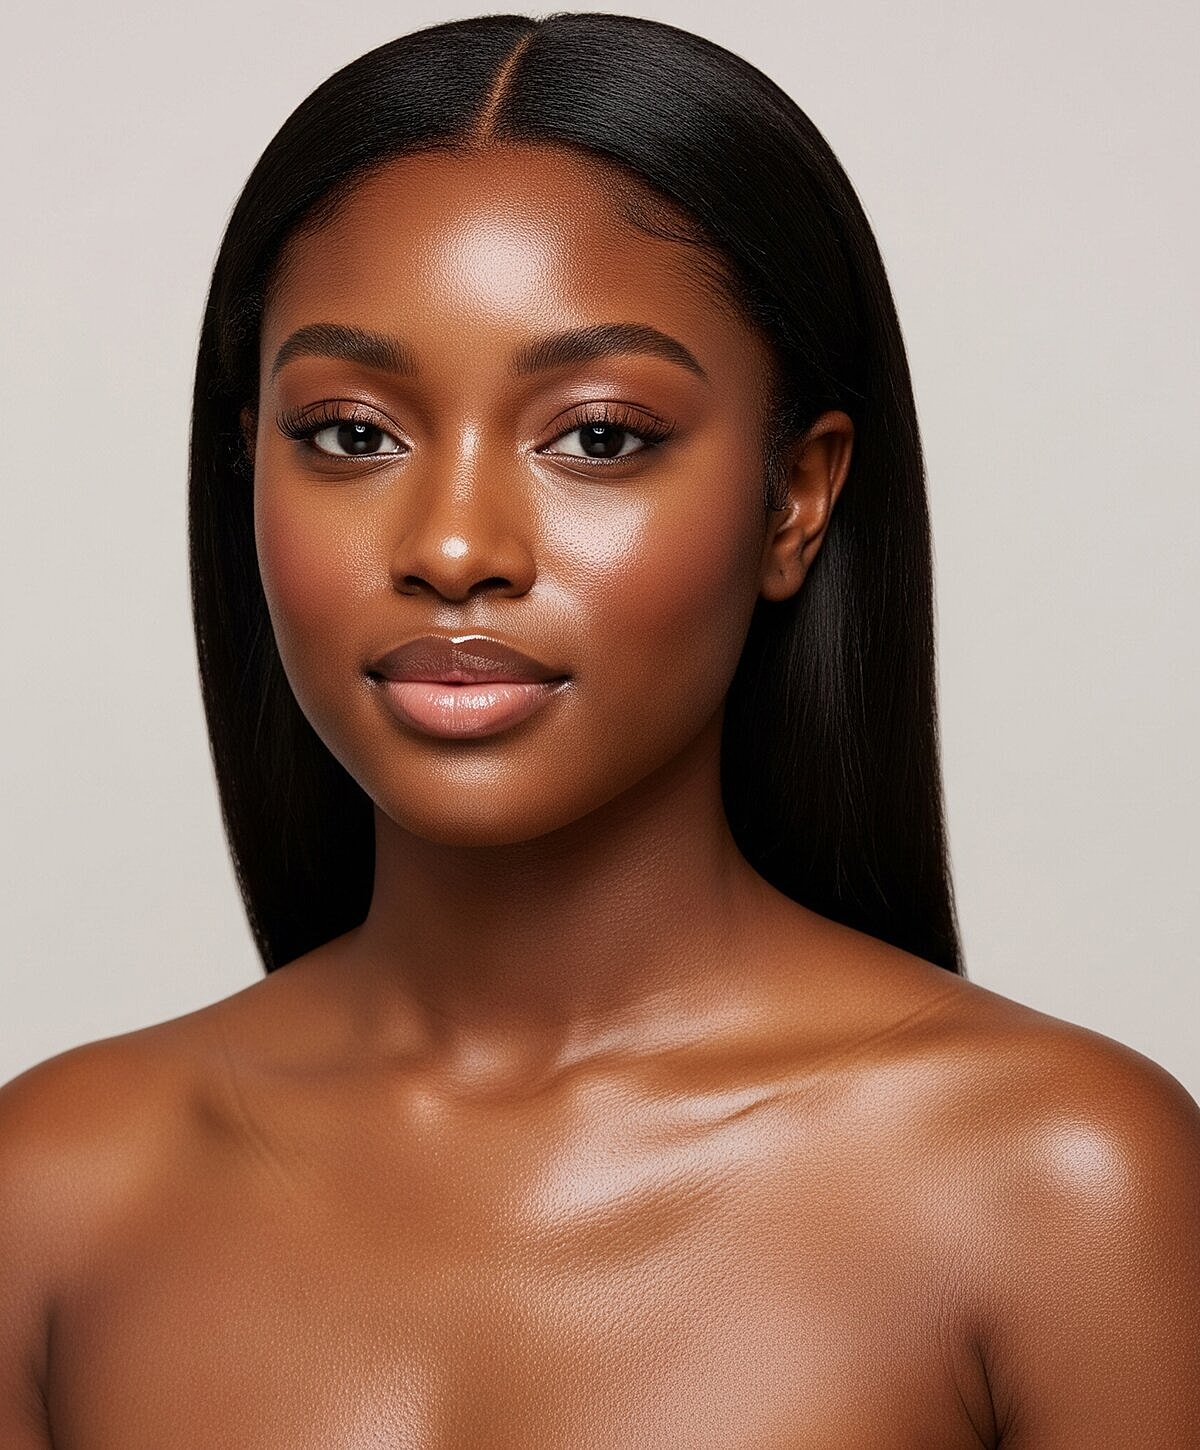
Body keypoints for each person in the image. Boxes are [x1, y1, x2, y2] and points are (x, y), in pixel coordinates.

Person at [2, 12, 1197, 1446]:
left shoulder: (1061, 1183)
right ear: (243, 458)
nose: (452, 544)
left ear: (797, 499)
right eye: (350, 433)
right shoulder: (52, 1197)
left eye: (601, 435)